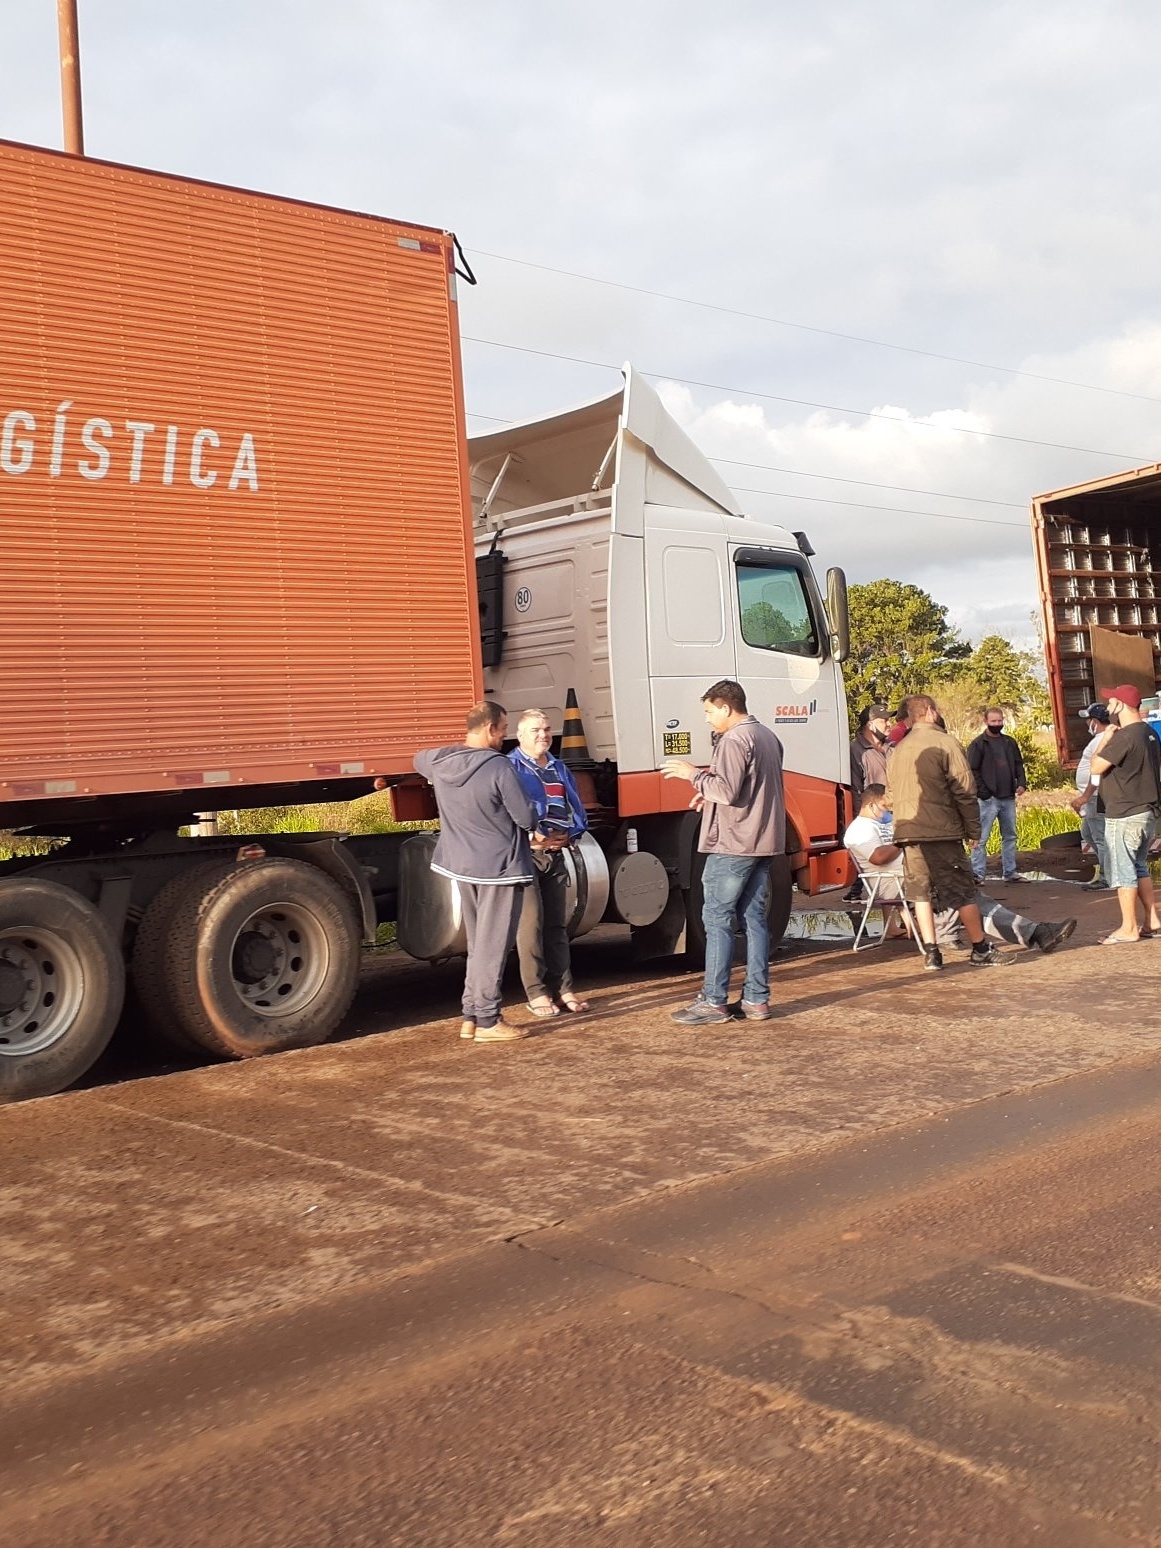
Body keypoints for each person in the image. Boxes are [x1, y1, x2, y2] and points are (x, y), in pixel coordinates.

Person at [662, 679, 785, 1024]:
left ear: (726, 707)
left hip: (733, 843)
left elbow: (728, 791)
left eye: (708, 711)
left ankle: (713, 1000)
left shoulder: (733, 740)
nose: (706, 719)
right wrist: (709, 794)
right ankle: (757, 1000)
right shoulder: (767, 737)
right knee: (754, 920)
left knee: (716, 917)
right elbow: (750, 788)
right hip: (763, 841)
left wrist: (694, 777)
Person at [414, 700, 538, 1042]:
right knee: (493, 944)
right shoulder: (499, 767)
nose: (505, 735)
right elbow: (526, 818)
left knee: (479, 942)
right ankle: (487, 1020)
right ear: (489, 729)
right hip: (500, 866)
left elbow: (417, 758)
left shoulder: (439, 761)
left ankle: (471, 1014)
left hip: (461, 864)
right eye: (503, 728)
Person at [845, 786, 1077, 953]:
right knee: (967, 895)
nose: (888, 812)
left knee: (968, 894)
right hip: (899, 883)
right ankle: (1034, 933)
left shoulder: (883, 822)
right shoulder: (859, 830)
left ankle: (1032, 933)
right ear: (871, 805)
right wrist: (902, 840)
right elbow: (877, 857)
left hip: (915, 875)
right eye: (885, 807)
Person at [884, 694, 1002, 970]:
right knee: (963, 890)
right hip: (941, 830)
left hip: (907, 831)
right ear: (930, 712)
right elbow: (965, 790)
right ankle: (980, 948)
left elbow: (890, 795)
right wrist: (974, 829)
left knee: (921, 892)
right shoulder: (945, 742)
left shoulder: (898, 750)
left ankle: (931, 953)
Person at [508, 708, 590, 1018]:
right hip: (524, 856)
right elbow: (504, 810)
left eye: (546, 729)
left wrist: (570, 835)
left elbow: (576, 807)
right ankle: (537, 993)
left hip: (556, 854)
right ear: (520, 736)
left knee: (557, 925)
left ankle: (564, 989)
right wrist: (530, 836)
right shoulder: (511, 767)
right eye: (535, 730)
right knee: (531, 926)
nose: (543, 735)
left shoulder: (559, 767)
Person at [1088, 684, 1161, 944]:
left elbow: (1096, 766)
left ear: (1120, 705)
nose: (1108, 707)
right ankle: (1152, 920)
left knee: (1122, 871)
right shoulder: (1149, 734)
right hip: (1146, 811)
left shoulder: (1124, 736)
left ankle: (1128, 928)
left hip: (1124, 813)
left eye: (1111, 702)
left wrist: (1105, 739)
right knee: (1139, 866)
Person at [966, 708, 1027, 883]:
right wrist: (983, 792)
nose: (997, 724)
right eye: (993, 722)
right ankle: (978, 874)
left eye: (999, 721)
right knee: (981, 838)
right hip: (988, 799)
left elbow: (1018, 764)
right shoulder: (978, 744)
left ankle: (1010, 872)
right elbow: (972, 770)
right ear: (986, 722)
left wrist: (1021, 782)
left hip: (1008, 796)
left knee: (1010, 836)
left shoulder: (1009, 742)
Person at [1070, 703, 1114, 889]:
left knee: (1099, 838)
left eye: (1088, 720)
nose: (1087, 723)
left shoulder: (1102, 740)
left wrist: (1086, 796)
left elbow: (1096, 772)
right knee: (1087, 834)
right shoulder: (1100, 738)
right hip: (1091, 796)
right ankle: (1111, 868)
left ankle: (1107, 877)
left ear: (1094, 721)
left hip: (1095, 796)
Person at [850, 703, 891, 805]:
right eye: (884, 720)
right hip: (873, 815)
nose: (889, 724)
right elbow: (855, 791)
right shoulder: (855, 751)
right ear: (870, 725)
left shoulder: (892, 748)